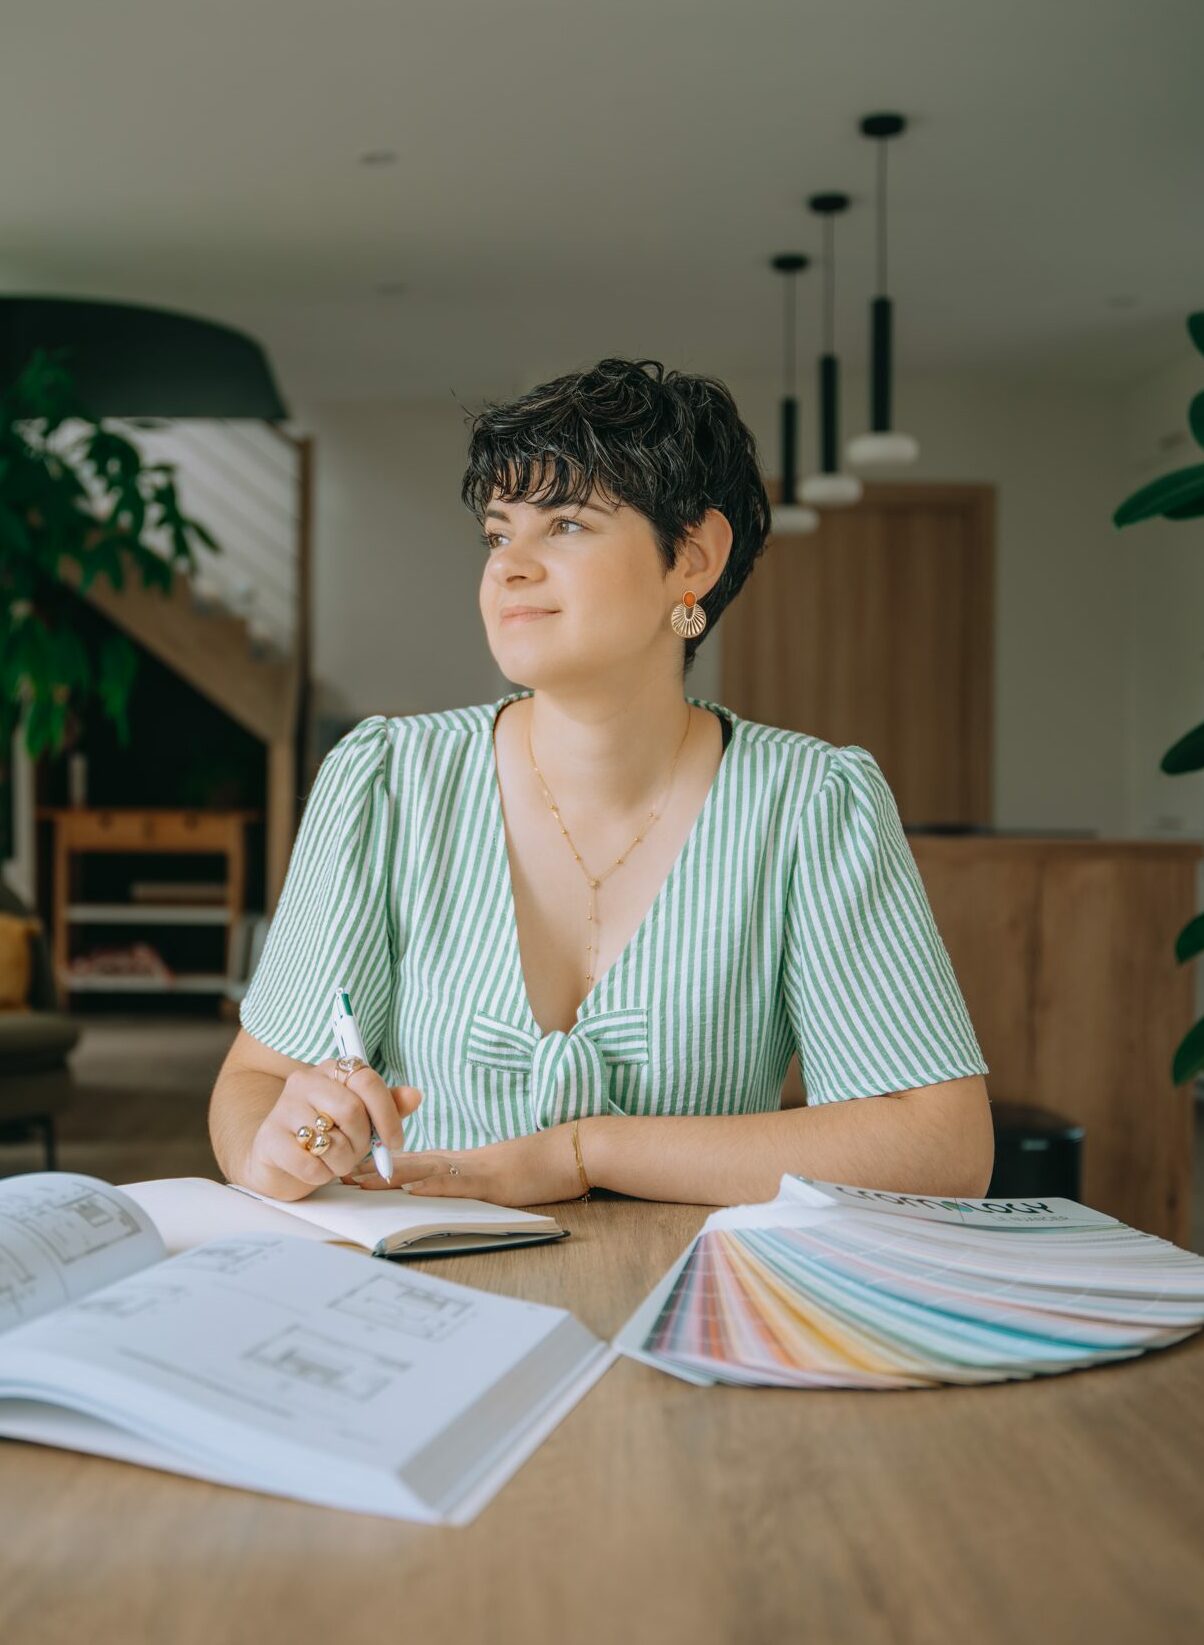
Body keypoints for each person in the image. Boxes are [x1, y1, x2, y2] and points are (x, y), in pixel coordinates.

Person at [209, 357, 992, 1208]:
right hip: (430, 1300)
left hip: (703, 1304)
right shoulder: (387, 781)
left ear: (692, 557)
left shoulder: (812, 803)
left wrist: (582, 1152)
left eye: (567, 525)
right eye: (500, 533)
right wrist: (278, 1145)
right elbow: (254, 1081)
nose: (509, 565)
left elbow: (942, 1144)